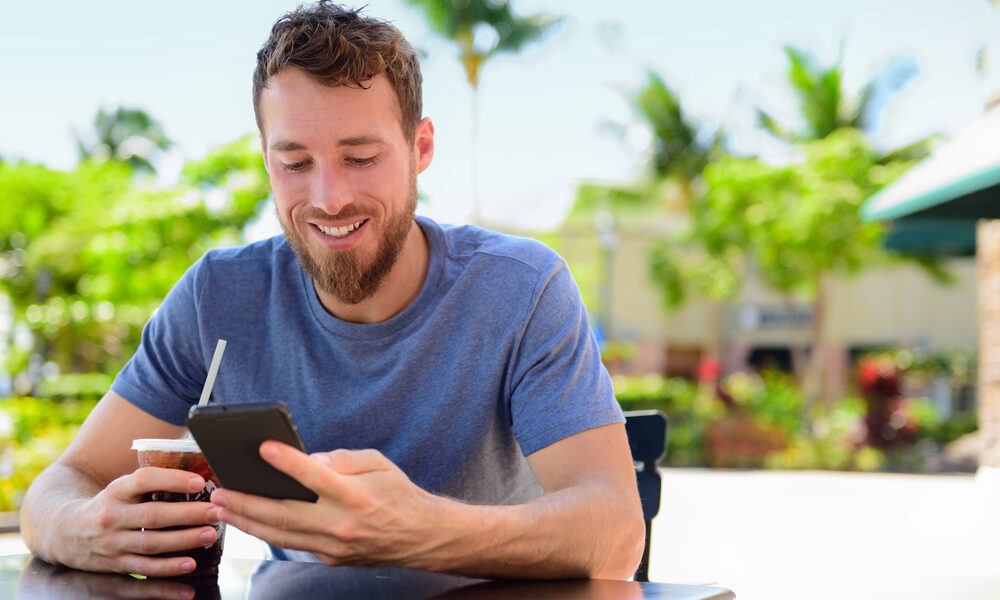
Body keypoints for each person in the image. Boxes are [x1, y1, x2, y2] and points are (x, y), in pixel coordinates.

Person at [20, 1, 644, 580]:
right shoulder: (218, 297)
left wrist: (421, 532)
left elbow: (615, 535)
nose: (329, 198)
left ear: (421, 147)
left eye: (361, 157)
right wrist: (81, 527)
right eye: (295, 163)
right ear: (267, 158)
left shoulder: (521, 289)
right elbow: (64, 481)